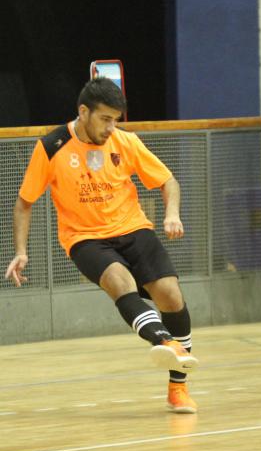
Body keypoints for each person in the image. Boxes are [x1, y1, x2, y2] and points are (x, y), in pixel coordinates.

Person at [4, 78, 198, 413]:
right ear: (84, 112)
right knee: (120, 281)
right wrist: (21, 251)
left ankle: (177, 388)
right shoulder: (51, 147)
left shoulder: (125, 142)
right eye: (105, 119)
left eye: (116, 120)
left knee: (170, 295)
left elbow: (168, 181)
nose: (111, 128)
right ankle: (164, 341)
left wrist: (172, 213)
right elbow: (24, 203)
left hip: (133, 228)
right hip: (84, 237)